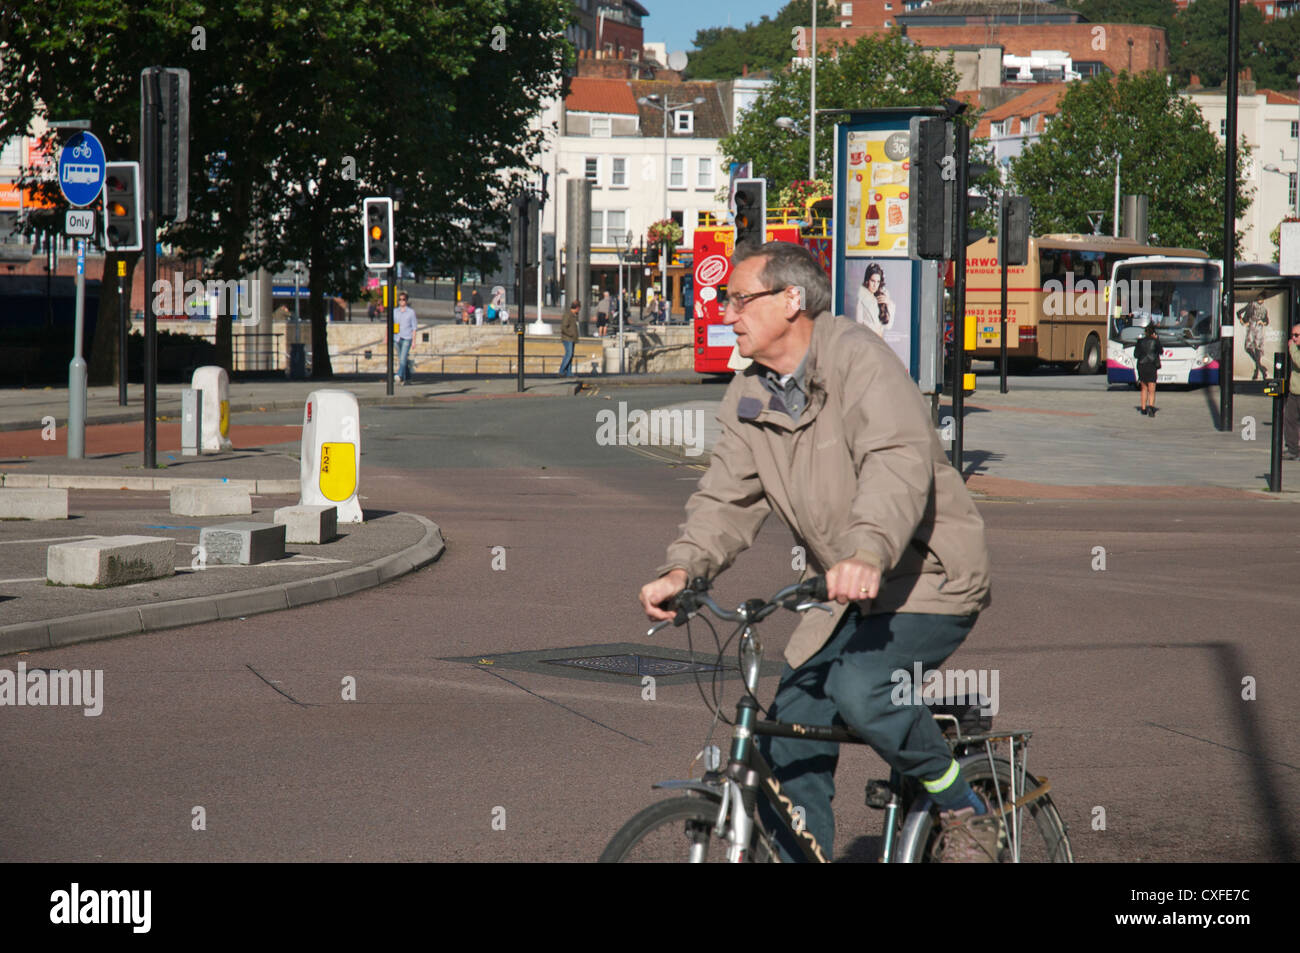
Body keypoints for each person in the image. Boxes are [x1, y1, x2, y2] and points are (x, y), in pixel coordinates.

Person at [638, 241, 994, 863]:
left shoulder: (859, 359)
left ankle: (961, 803)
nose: (728, 312)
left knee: (861, 692)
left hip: (925, 577)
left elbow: (895, 461)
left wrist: (866, 551)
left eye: (740, 298)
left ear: (791, 300)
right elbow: (725, 496)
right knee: (790, 732)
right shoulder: (749, 392)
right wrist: (682, 568)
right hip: (841, 591)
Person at [855, 263, 892, 338]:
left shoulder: (884, 297)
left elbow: (888, 326)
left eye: (878, 282)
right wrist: (874, 329)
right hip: (867, 341)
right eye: (873, 281)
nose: (875, 285)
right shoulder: (861, 298)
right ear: (867, 280)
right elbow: (859, 324)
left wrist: (889, 304)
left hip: (880, 342)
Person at [1238, 297, 1270, 381]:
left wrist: (1262, 322)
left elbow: (1267, 320)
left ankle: (1257, 372)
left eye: (1262, 298)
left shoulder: (1264, 308)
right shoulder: (1251, 305)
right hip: (1251, 328)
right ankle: (1261, 369)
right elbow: (1239, 313)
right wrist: (1242, 321)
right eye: (1260, 298)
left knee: (1257, 349)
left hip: (1259, 329)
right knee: (1248, 347)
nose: (1261, 300)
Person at [1134, 322, 1161, 416]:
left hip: (1142, 365)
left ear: (1145, 332)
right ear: (1153, 332)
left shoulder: (1140, 341)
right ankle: (1151, 408)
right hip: (1152, 365)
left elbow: (1136, 354)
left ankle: (1143, 409)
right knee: (1152, 389)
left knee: (1144, 388)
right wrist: (1157, 340)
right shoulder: (1155, 341)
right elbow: (1161, 351)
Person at [393, 292, 417, 385]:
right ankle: (408, 378)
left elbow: (414, 327)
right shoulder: (395, 311)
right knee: (402, 359)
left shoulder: (411, 312)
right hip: (397, 337)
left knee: (403, 358)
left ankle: (399, 375)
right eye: (400, 299)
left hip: (407, 337)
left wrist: (414, 341)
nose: (401, 301)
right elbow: (390, 325)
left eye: (403, 299)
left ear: (406, 301)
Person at [1286, 323, 1300, 461]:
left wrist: (1292, 347)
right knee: (1290, 420)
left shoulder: (1294, 350)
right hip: (1294, 392)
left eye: (1297, 335)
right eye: (1292, 335)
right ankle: (1292, 449)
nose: (1294, 338)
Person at [560, 300, 580, 377]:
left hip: (572, 339)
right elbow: (563, 327)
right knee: (568, 354)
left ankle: (569, 373)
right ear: (577, 308)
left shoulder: (573, 315)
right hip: (568, 338)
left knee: (570, 355)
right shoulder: (568, 315)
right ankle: (561, 371)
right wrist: (571, 334)